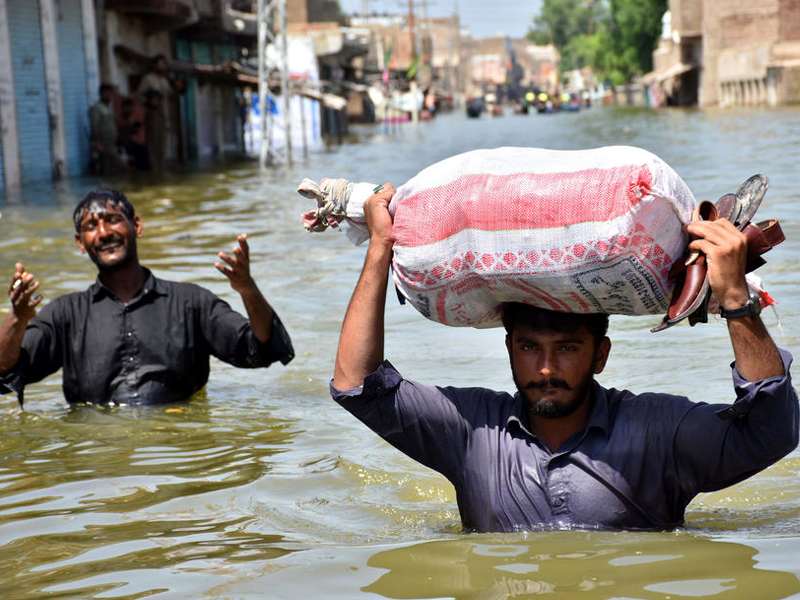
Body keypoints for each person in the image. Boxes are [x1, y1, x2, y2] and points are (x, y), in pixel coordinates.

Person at [329, 183, 799, 532]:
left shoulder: (656, 432)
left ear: (601, 355)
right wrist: (379, 249)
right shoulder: (470, 431)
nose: (546, 368)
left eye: (568, 348)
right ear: (509, 348)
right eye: (530, 348)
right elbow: (355, 383)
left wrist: (736, 299)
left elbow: (772, 431)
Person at [0, 190, 294, 406]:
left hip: (181, 447)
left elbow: (262, 348)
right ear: (80, 242)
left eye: (113, 220)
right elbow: (6, 372)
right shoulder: (66, 314)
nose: (103, 233)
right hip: (96, 457)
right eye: (91, 226)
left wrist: (247, 289)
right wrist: (17, 319)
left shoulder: (190, 303)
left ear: (136, 226)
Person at [136, 55, 184, 171]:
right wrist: (149, 101)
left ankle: (161, 169)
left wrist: (178, 88)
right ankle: (155, 170)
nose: (162, 66)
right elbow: (138, 95)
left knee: (163, 146)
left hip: (165, 115)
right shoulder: (148, 79)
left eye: (163, 64)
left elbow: (171, 96)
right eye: (160, 63)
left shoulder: (165, 80)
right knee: (154, 145)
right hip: (153, 114)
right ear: (154, 65)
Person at [88, 84, 125, 174]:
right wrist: (97, 142)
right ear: (101, 93)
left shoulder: (107, 108)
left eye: (111, 93)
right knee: (118, 167)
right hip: (104, 144)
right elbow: (94, 125)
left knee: (111, 168)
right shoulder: (97, 108)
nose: (110, 95)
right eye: (108, 93)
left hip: (111, 144)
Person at [117, 97, 149, 170]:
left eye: (130, 107)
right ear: (123, 107)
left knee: (143, 166)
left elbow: (136, 128)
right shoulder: (120, 118)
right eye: (127, 107)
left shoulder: (136, 116)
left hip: (140, 145)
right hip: (129, 145)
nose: (129, 109)